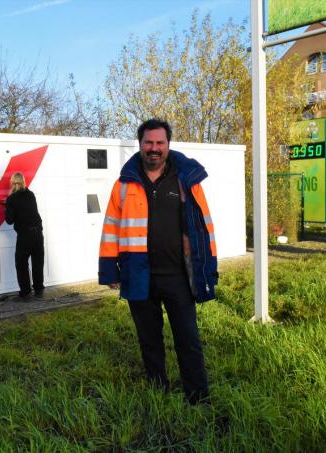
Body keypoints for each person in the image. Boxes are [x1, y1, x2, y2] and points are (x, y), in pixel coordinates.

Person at [98, 118, 218, 404]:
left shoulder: (185, 180)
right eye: (149, 143)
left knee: (188, 339)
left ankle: (197, 396)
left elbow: (205, 226)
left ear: (168, 145)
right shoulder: (124, 184)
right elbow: (111, 227)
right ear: (140, 145)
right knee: (149, 340)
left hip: (178, 276)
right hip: (139, 274)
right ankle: (157, 390)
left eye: (160, 143)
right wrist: (108, 269)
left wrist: (208, 267)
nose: (154, 148)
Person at [5, 172, 45, 299]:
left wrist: (7, 206)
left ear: (12, 183)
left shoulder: (12, 198)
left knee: (21, 263)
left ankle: (26, 292)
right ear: (23, 182)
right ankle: (39, 290)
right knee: (38, 262)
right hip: (38, 233)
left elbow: (9, 220)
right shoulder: (31, 194)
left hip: (25, 235)